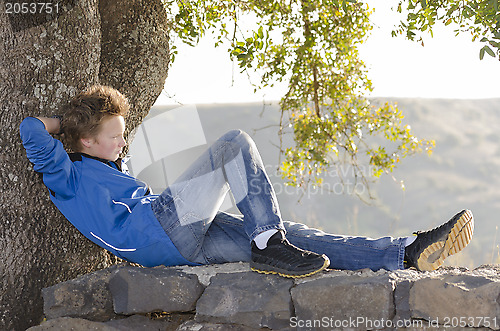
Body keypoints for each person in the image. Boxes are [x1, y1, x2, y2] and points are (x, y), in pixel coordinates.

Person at [19, 85, 475, 278]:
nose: (123, 143)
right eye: (114, 136)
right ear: (83, 140)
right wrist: (70, 122)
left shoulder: (101, 168)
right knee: (232, 144)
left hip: (177, 244)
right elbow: (30, 129)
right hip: (157, 231)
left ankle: (406, 253)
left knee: (298, 240)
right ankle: (266, 239)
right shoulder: (68, 174)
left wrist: (93, 131)